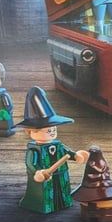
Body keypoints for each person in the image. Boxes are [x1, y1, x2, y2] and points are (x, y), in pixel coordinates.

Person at [15, 86, 87, 214]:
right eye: (48, 130)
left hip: (60, 174)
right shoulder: (34, 148)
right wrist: (37, 171)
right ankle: (45, 206)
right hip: (44, 175)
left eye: (53, 129)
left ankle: (64, 203)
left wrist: (75, 155)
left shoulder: (57, 144)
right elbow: (30, 163)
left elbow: (66, 152)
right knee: (46, 193)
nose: (52, 132)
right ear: (30, 131)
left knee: (62, 191)